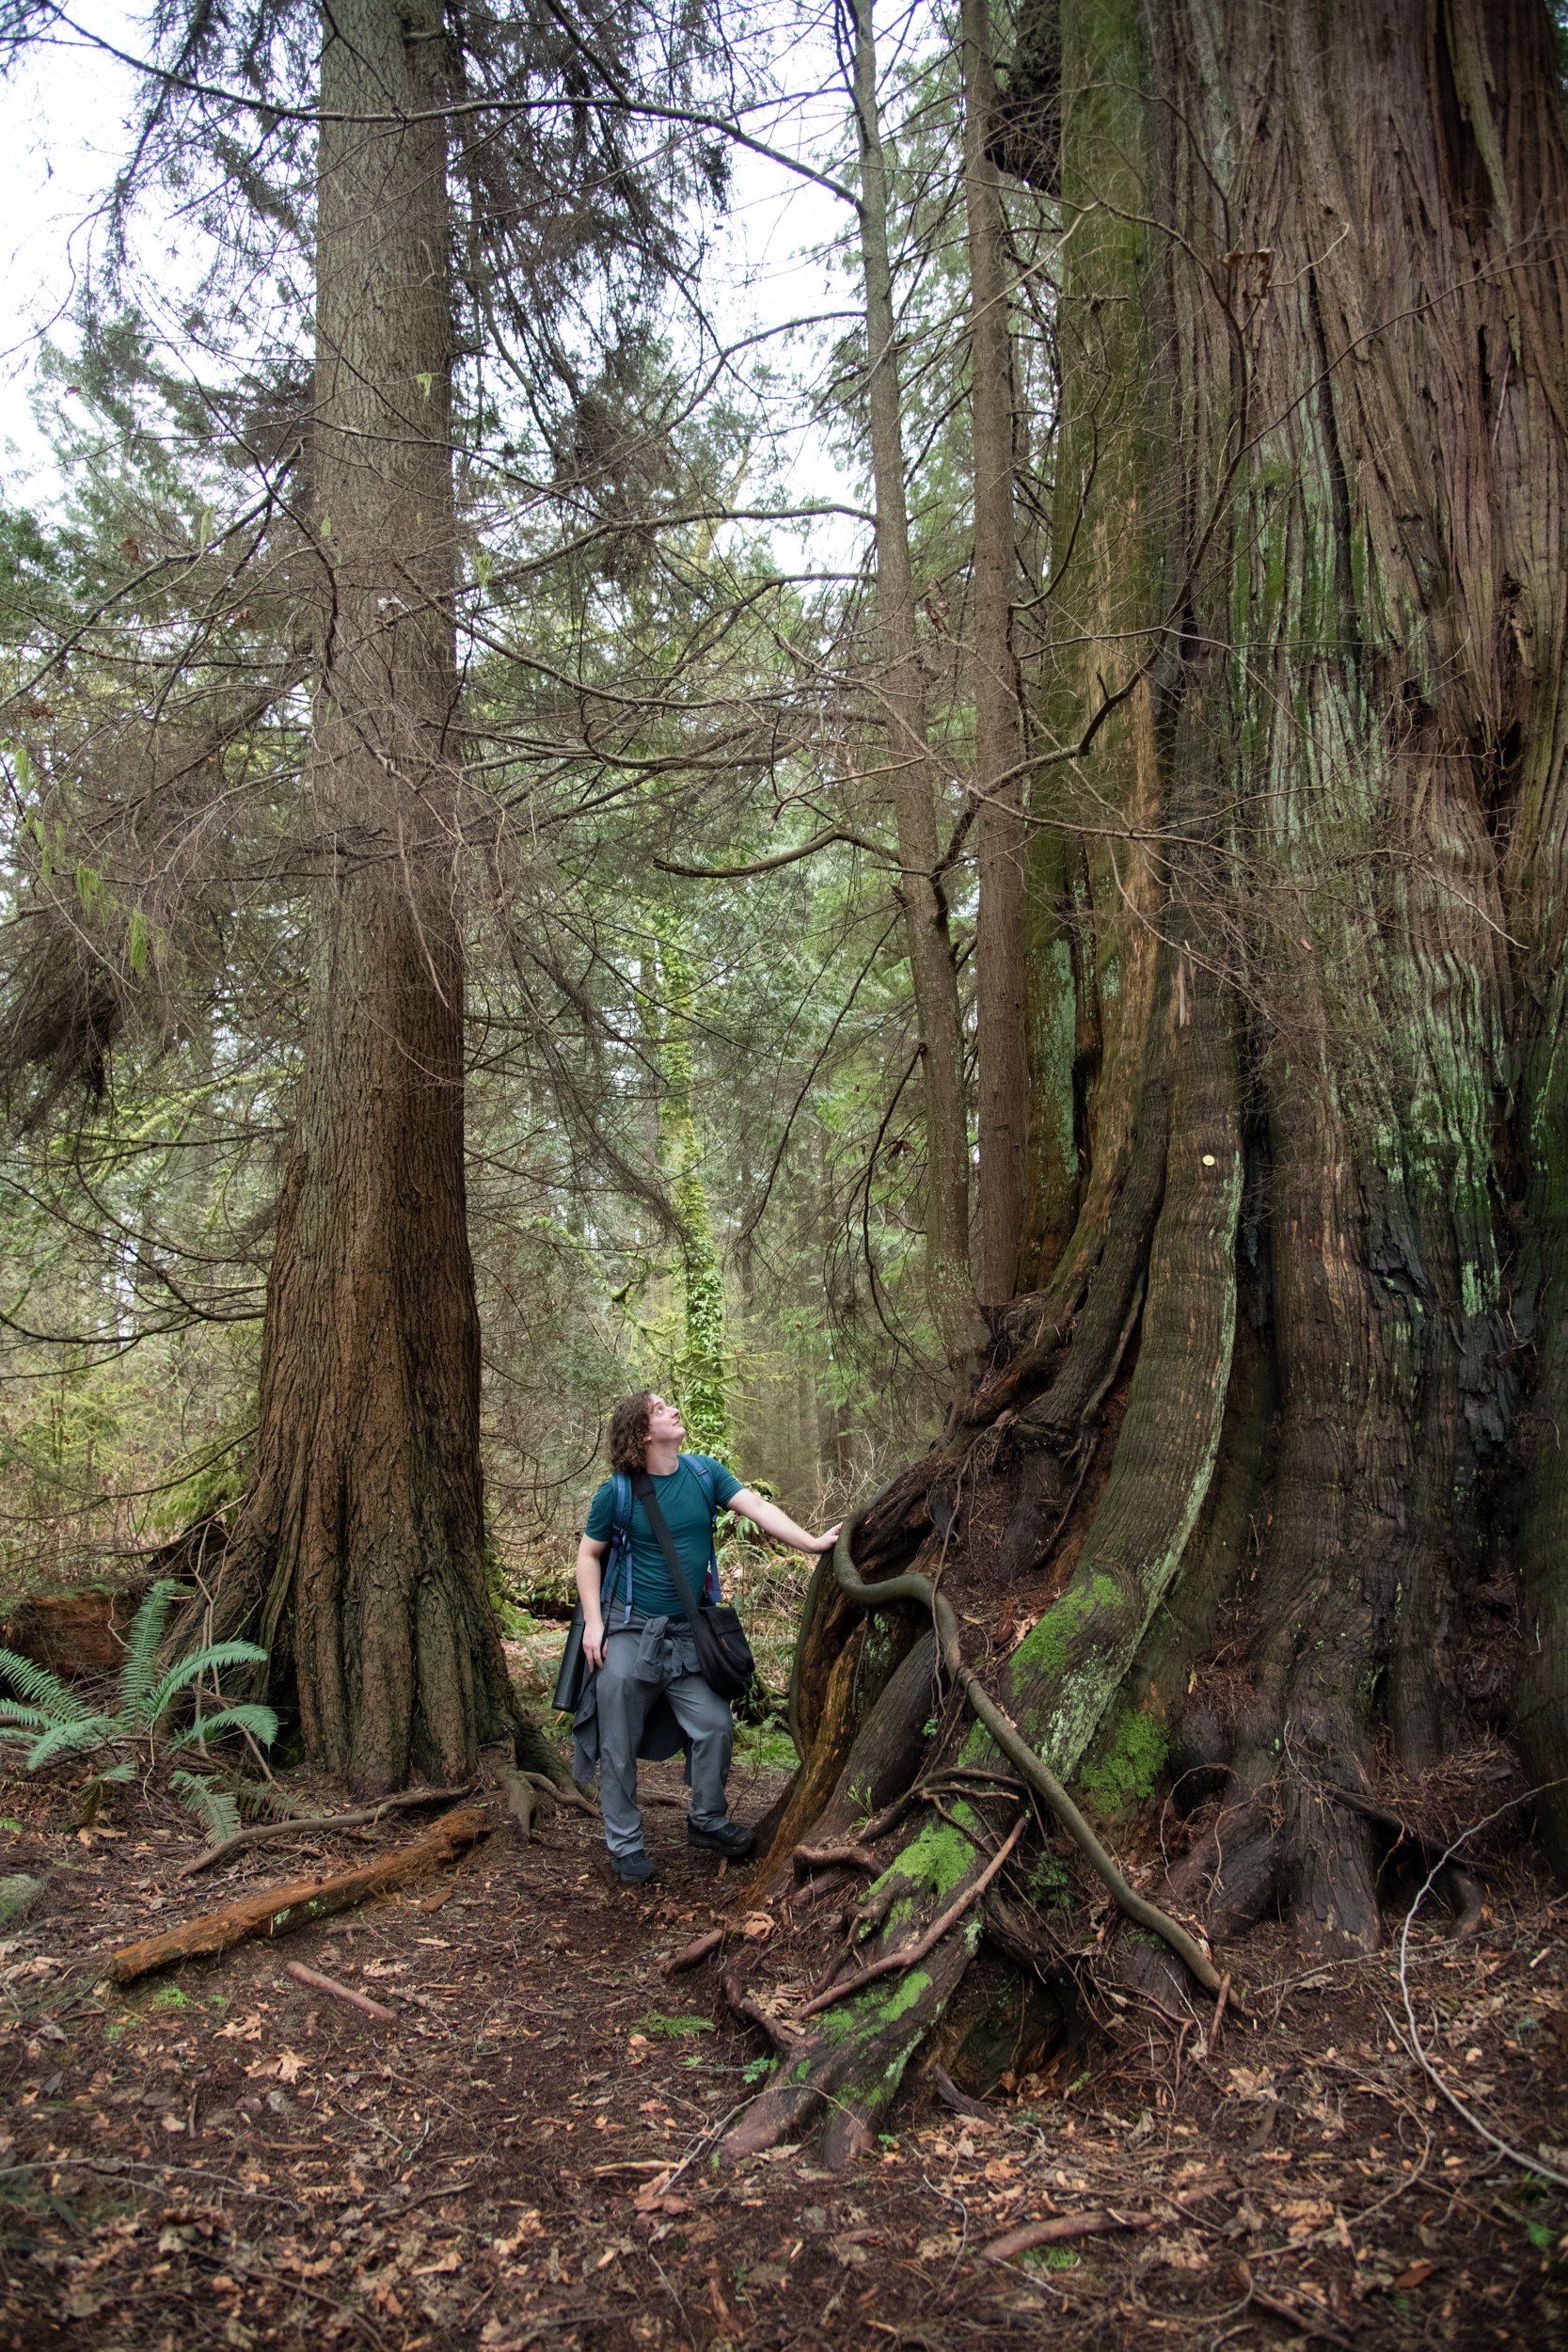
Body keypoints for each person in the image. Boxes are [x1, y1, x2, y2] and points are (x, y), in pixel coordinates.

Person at [572, 1391, 840, 1885]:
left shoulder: (703, 1473)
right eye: (659, 1409)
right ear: (643, 1434)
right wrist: (594, 1623)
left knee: (715, 1724)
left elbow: (755, 1506)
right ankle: (625, 1844)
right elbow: (588, 1556)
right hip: (630, 1630)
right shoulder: (618, 1493)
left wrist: (812, 1542)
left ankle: (707, 1820)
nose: (673, 1410)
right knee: (617, 1740)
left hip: (687, 1633)